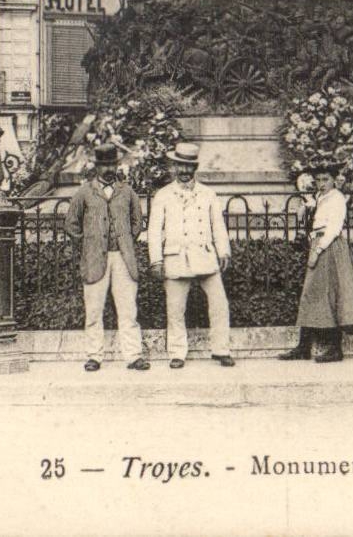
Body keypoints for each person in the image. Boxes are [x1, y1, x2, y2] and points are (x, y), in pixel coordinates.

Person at [147, 141, 234, 370]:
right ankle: (177, 353)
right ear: (174, 167)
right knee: (175, 308)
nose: (184, 172)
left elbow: (218, 225)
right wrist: (156, 260)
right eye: (180, 167)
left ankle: (221, 350)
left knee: (219, 304)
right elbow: (154, 231)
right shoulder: (163, 195)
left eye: (189, 167)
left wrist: (223, 250)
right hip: (175, 258)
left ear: (195, 168)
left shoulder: (208, 194)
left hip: (204, 256)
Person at [63, 143, 148, 372]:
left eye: (112, 164)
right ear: (96, 167)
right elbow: (71, 224)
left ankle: (133, 356)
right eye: (104, 165)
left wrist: (125, 240)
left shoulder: (127, 192)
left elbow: (137, 222)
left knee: (128, 309)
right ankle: (94, 356)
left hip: (123, 258)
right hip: (94, 259)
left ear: (117, 165)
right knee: (93, 310)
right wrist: (90, 242)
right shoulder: (84, 192)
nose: (108, 169)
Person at [280, 164, 353, 363]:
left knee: (330, 293)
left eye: (325, 180)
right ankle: (304, 347)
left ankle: (334, 349)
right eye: (318, 180)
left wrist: (318, 250)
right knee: (313, 294)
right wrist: (306, 208)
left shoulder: (337, 198)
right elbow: (311, 220)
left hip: (329, 247)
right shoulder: (320, 198)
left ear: (334, 180)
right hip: (317, 243)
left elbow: (334, 228)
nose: (321, 184)